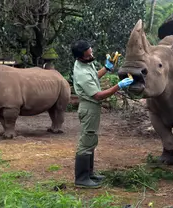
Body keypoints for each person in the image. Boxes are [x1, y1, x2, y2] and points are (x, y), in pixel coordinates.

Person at [71, 40, 133, 188]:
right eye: (88, 55)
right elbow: (98, 95)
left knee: (91, 139)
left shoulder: (86, 64)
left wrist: (106, 68)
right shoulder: (81, 73)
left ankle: (90, 174)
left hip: (93, 107)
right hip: (89, 107)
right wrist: (118, 86)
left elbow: (94, 77)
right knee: (86, 141)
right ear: (80, 57)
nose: (91, 55)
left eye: (91, 51)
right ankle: (81, 179)